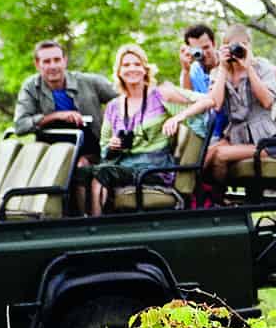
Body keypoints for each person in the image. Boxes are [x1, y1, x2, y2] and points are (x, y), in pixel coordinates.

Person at [86, 44, 201, 216]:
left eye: (137, 64)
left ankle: (95, 229)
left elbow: (207, 101)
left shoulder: (159, 95)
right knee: (82, 172)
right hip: (125, 165)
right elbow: (104, 149)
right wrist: (113, 146)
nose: (132, 68)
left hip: (154, 168)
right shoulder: (113, 107)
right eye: (126, 65)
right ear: (119, 71)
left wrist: (177, 117)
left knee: (102, 174)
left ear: (145, 69)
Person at [173, 25, 276, 188]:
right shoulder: (220, 72)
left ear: (249, 46)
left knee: (220, 153)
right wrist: (223, 69)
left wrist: (248, 68)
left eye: (241, 46)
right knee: (206, 155)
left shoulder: (262, 67)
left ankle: (206, 198)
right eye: (232, 47)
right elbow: (216, 104)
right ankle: (208, 198)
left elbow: (267, 101)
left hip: (266, 141)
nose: (237, 52)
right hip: (236, 138)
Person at [13, 40, 117, 161]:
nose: (53, 66)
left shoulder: (89, 82)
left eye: (57, 60)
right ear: (37, 64)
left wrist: (112, 123)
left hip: (90, 147)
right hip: (50, 150)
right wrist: (56, 116)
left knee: (80, 166)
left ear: (65, 61)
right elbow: (20, 126)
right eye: (46, 61)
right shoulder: (31, 86)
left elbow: (125, 98)